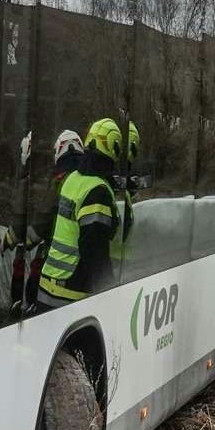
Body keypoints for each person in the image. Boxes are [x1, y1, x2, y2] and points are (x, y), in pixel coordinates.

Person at [35, 118, 125, 308]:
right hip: (70, 295)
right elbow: (94, 250)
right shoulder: (97, 191)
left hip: (47, 287)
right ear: (114, 149)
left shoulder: (72, 180)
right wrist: (110, 291)